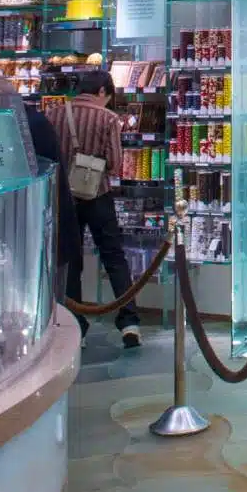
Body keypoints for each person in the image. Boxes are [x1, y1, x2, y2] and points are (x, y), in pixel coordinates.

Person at [0, 69, 80, 276]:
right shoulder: (22, 120)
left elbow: (24, 184)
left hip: (44, 236)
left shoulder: (27, 125)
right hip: (34, 235)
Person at [64, 69, 141, 348]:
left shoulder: (57, 113)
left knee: (71, 261)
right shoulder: (108, 118)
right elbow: (115, 163)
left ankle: (76, 326)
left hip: (65, 199)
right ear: (101, 92)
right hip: (97, 194)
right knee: (114, 256)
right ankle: (129, 321)